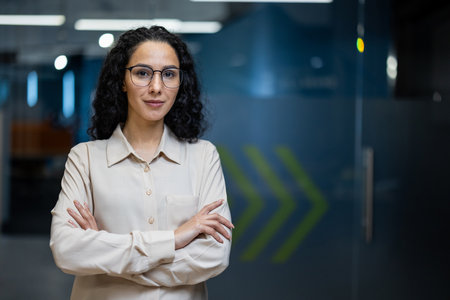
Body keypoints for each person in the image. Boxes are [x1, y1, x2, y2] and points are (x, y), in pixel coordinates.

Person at [49, 26, 233, 300]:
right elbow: (67, 250)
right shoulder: (85, 158)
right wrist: (175, 240)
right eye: (142, 73)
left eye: (169, 74)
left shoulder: (203, 156)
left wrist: (107, 257)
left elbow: (213, 256)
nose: (156, 87)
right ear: (122, 80)